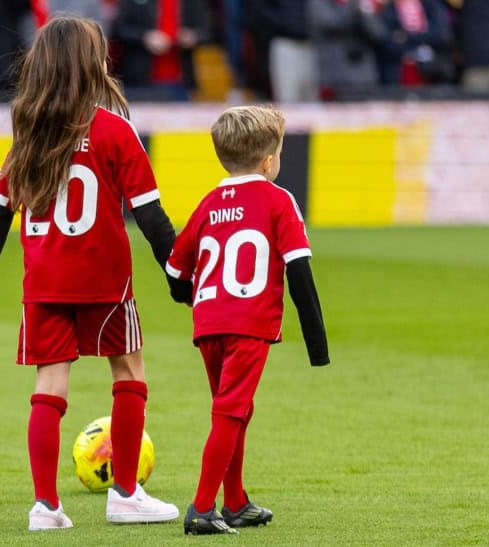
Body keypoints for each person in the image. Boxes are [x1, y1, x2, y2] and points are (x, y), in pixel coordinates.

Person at [0, 15, 181, 531]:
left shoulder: (28, 136)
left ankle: (46, 506)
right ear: (93, 64)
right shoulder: (114, 130)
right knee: (128, 373)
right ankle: (126, 493)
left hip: (45, 283)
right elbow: (150, 214)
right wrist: (178, 272)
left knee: (50, 386)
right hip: (105, 282)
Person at [165, 105, 330, 535]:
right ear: (269, 160)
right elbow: (299, 270)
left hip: (208, 321)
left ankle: (235, 501)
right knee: (230, 411)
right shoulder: (279, 200)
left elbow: (175, 269)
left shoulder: (207, 203)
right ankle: (203, 507)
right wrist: (317, 344)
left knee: (235, 407)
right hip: (249, 321)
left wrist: (187, 297)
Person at [112, 0, 213, 100]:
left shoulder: (193, 2)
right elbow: (119, 29)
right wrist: (145, 37)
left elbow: (208, 30)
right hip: (140, 81)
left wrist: (193, 36)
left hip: (181, 82)